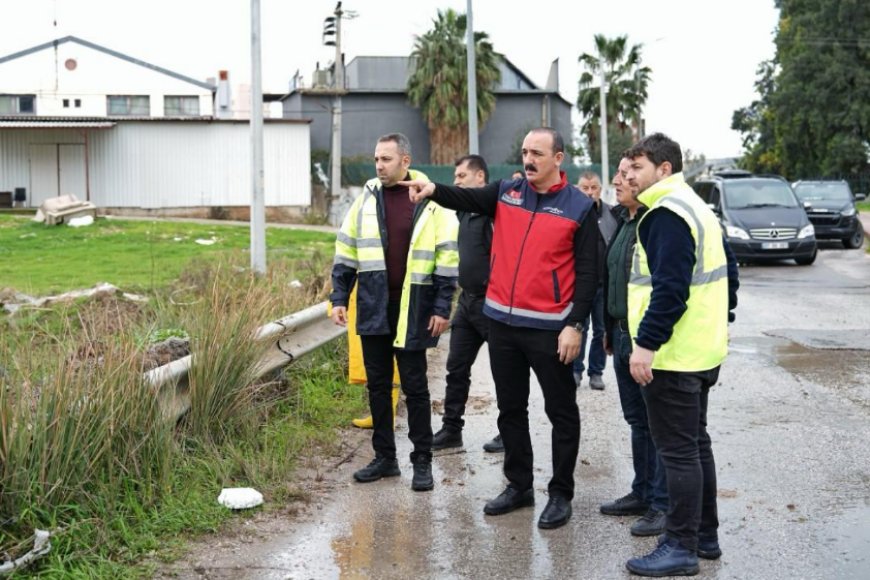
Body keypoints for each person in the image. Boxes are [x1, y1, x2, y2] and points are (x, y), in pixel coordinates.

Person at [402, 127, 599, 530]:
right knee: (511, 410)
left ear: (558, 158)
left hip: (550, 330)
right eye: (525, 152)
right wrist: (431, 189)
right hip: (503, 325)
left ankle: (560, 493)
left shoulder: (579, 206)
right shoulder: (507, 193)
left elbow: (589, 271)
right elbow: (466, 196)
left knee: (561, 413)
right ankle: (519, 486)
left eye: (538, 153)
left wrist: (575, 324)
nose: (528, 160)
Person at [622, 133, 737, 577]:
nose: (629, 175)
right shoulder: (695, 206)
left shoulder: (666, 214)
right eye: (627, 168)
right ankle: (704, 537)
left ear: (664, 169)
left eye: (638, 167)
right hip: (701, 351)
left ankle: (680, 545)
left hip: (673, 355)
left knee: (678, 453)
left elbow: (670, 289)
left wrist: (646, 345)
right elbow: (730, 271)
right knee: (695, 446)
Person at [330, 133, 459, 492]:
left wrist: (441, 305)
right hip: (373, 305)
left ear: (405, 161)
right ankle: (385, 459)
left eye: (385, 159)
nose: (378, 166)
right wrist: (339, 296)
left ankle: (422, 462)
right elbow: (346, 251)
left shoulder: (431, 201)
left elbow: (448, 258)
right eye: (376, 159)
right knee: (378, 386)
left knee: (415, 388)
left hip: (414, 307)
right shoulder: (365, 200)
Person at [598, 158, 668, 537]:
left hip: (645, 342)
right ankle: (642, 492)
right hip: (622, 335)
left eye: (627, 174)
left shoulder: (655, 222)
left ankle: (661, 504)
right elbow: (615, 279)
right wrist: (611, 328)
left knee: (657, 425)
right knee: (637, 421)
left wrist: (647, 342)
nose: (618, 181)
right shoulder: (623, 222)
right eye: (619, 174)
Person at [431, 154, 503, 453]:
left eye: (462, 176)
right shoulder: (462, 213)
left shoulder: (494, 212)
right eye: (455, 176)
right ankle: (451, 430)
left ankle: (508, 433)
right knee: (456, 367)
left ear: (480, 178)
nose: (456, 181)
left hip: (493, 304)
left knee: (505, 373)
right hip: (467, 303)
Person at [572, 171, 617, 390]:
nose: (590, 192)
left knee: (601, 330)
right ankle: (575, 370)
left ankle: (596, 372)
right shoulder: (572, 214)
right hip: (579, 285)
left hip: (603, 285)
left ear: (601, 189)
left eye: (594, 188)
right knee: (578, 327)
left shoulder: (612, 214)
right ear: (577, 189)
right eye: (585, 188)